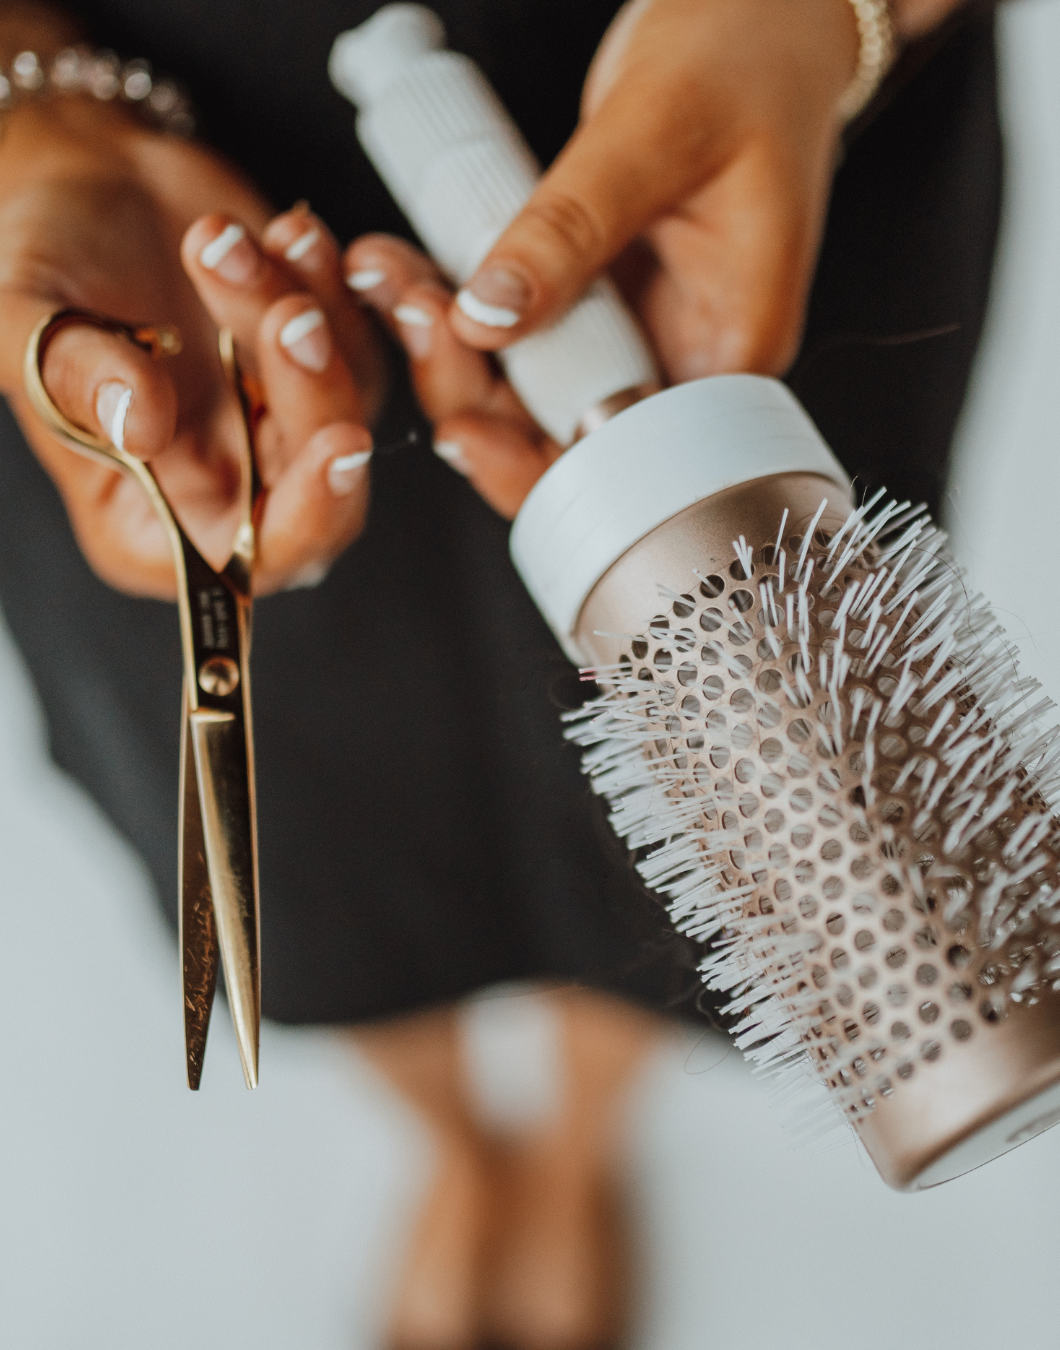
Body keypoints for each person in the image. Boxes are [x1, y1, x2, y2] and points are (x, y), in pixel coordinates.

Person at [0, 1, 997, 1347]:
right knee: (309, 870)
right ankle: (458, 1140)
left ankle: (581, 1135)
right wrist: (32, 117)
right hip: (156, 293)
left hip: (754, 167)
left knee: (714, 851)